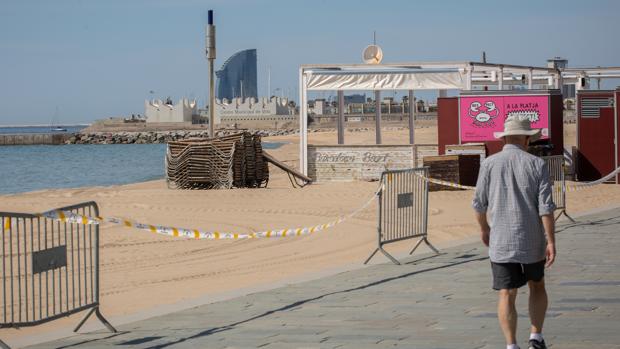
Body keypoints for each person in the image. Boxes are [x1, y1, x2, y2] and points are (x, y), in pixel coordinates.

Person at [472, 116, 556, 349]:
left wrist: (484, 228)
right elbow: (546, 208)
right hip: (533, 240)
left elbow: (479, 204)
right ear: (527, 139)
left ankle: (511, 345)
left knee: (506, 293)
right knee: (537, 285)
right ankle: (536, 337)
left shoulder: (489, 163)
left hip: (501, 240)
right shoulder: (537, 164)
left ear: (504, 138)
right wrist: (551, 241)